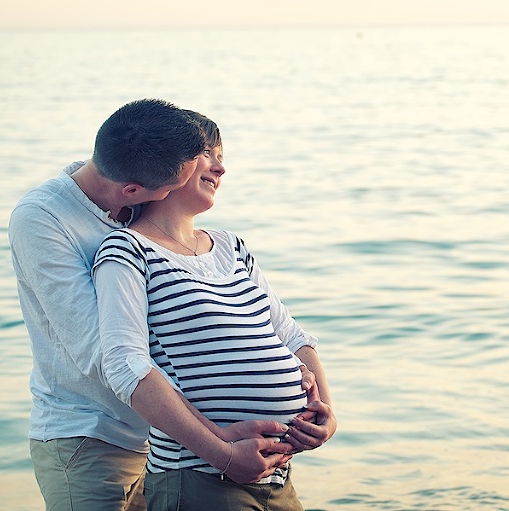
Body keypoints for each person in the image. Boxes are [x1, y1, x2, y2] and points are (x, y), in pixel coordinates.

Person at [9, 99, 295, 511]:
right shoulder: (42, 219)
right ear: (132, 191)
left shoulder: (137, 180)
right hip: (91, 437)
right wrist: (217, 443)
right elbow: (105, 355)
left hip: (166, 438)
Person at [91, 111, 336, 510]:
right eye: (208, 153)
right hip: (199, 477)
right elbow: (126, 367)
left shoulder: (231, 247)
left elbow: (293, 337)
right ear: (173, 162)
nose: (220, 168)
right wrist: (223, 454)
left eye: (222, 156)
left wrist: (325, 411)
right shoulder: (128, 251)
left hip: (276, 477)